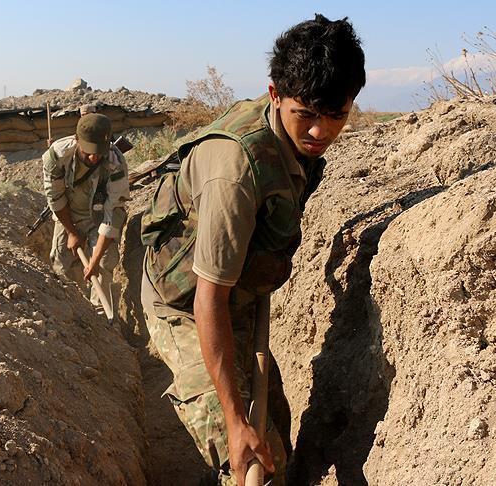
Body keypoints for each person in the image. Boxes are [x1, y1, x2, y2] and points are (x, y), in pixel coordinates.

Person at [139, 14, 365, 485]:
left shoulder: (299, 135)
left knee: (276, 433)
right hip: (183, 303)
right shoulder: (236, 172)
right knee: (246, 455)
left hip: (235, 292)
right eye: (306, 115)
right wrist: (235, 420)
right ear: (274, 94)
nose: (320, 132)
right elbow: (208, 299)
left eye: (336, 116)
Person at [42, 113, 129, 317]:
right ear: (77, 140)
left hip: (99, 216)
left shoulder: (115, 162)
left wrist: (94, 261)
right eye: (88, 152)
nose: (93, 158)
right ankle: (71, 314)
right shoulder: (57, 156)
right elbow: (55, 198)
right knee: (62, 263)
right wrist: (72, 232)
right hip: (68, 214)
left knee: (105, 263)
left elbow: (114, 213)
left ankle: (102, 319)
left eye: (99, 153)